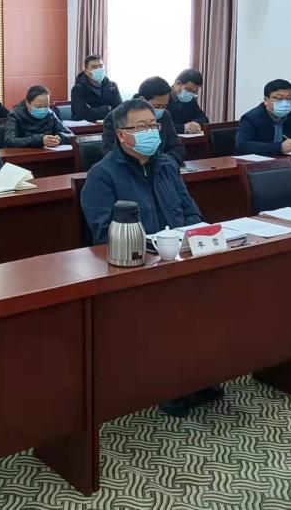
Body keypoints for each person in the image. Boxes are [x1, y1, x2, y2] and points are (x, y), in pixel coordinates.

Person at [81, 99, 219, 418]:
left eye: (153, 126)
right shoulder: (102, 175)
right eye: (140, 127)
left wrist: (192, 239)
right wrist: (154, 249)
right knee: (171, 301)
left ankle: (201, 372)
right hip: (134, 264)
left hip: (178, 257)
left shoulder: (167, 165)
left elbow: (191, 212)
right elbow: (104, 233)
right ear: (122, 135)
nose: (149, 132)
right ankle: (171, 383)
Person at [101, 77, 185, 166]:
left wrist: (165, 163)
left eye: (164, 106)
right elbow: (110, 153)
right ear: (142, 99)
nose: (161, 110)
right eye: (157, 106)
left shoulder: (165, 116)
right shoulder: (115, 117)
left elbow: (177, 147)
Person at [236, 79, 291, 156]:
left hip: (285, 161)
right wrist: (279, 147)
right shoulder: (251, 118)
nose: (284, 103)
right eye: (278, 98)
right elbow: (242, 146)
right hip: (258, 164)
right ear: (266, 100)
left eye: (288, 99)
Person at [4, 85, 74, 148]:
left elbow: (71, 135)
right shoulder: (15, 115)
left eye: (46, 106)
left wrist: (59, 138)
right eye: (38, 106)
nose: (43, 109)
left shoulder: (50, 113)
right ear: (27, 103)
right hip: (23, 155)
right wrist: (40, 140)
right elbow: (9, 141)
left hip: (48, 154)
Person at [70, 54, 122, 121]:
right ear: (86, 72)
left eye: (101, 66)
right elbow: (80, 114)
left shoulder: (112, 86)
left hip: (110, 124)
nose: (99, 69)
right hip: (87, 126)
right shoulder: (78, 89)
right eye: (94, 67)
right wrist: (107, 109)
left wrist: (93, 111)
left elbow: (120, 110)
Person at [168, 68, 209, 135]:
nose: (191, 93)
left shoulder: (190, 99)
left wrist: (195, 123)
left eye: (195, 91)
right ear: (178, 84)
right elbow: (158, 126)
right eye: (188, 89)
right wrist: (183, 128)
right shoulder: (162, 96)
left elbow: (204, 119)